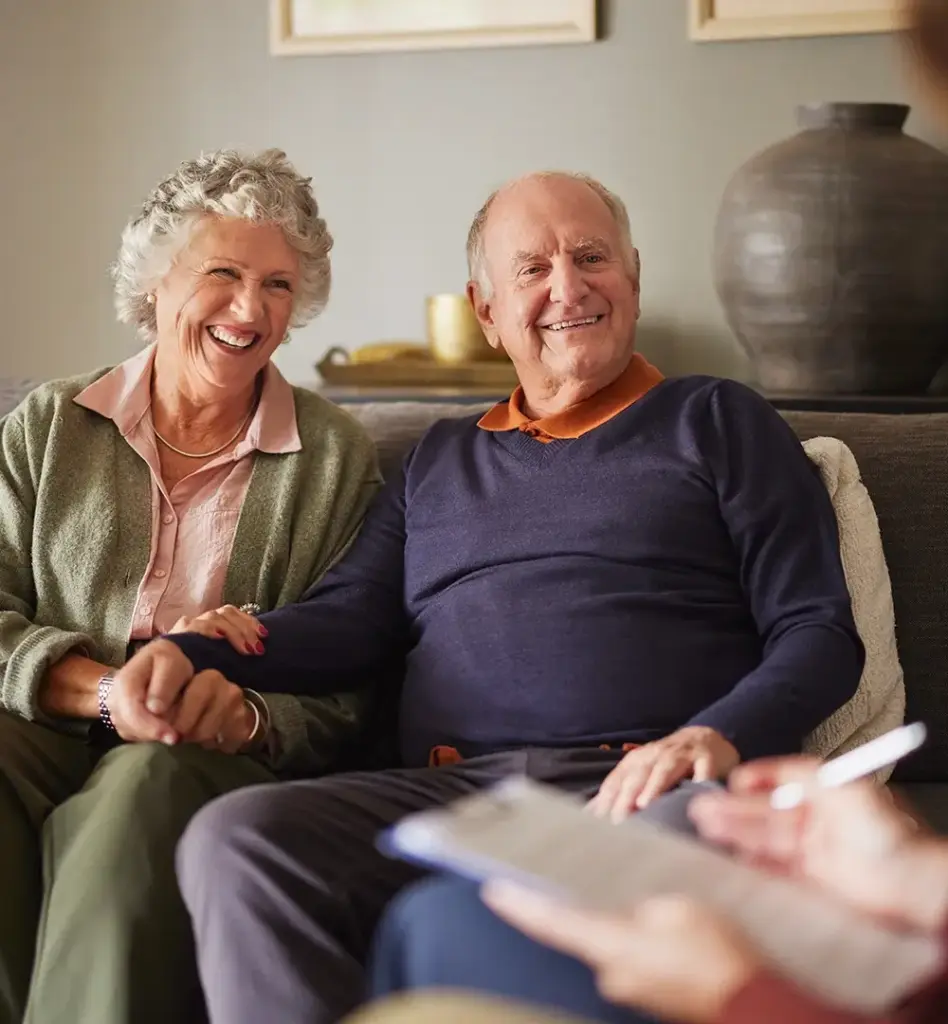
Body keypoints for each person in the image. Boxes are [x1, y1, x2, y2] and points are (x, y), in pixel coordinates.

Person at [114, 168, 865, 1024]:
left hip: (639, 786)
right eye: (533, 269)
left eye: (591, 258)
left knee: (496, 912)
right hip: (455, 793)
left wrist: (715, 736)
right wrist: (188, 649)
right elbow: (349, 622)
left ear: (634, 277)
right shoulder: (437, 460)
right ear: (486, 311)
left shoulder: (717, 420)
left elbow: (818, 632)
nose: (568, 287)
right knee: (238, 839)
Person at [0, 148, 381, 1024]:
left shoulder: (330, 459)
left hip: (195, 751)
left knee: (141, 792)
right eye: (224, 273)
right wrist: (103, 693)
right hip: (52, 717)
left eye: (280, 286)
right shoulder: (49, 427)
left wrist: (248, 715)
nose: (251, 310)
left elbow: (357, 672)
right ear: (157, 286)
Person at [362, 759, 948, 1024]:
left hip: (654, 765)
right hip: (450, 768)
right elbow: (358, 616)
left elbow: (815, 630)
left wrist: (734, 994)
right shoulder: (418, 502)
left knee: (439, 920)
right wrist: (918, 879)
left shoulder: (756, 499)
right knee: (269, 833)